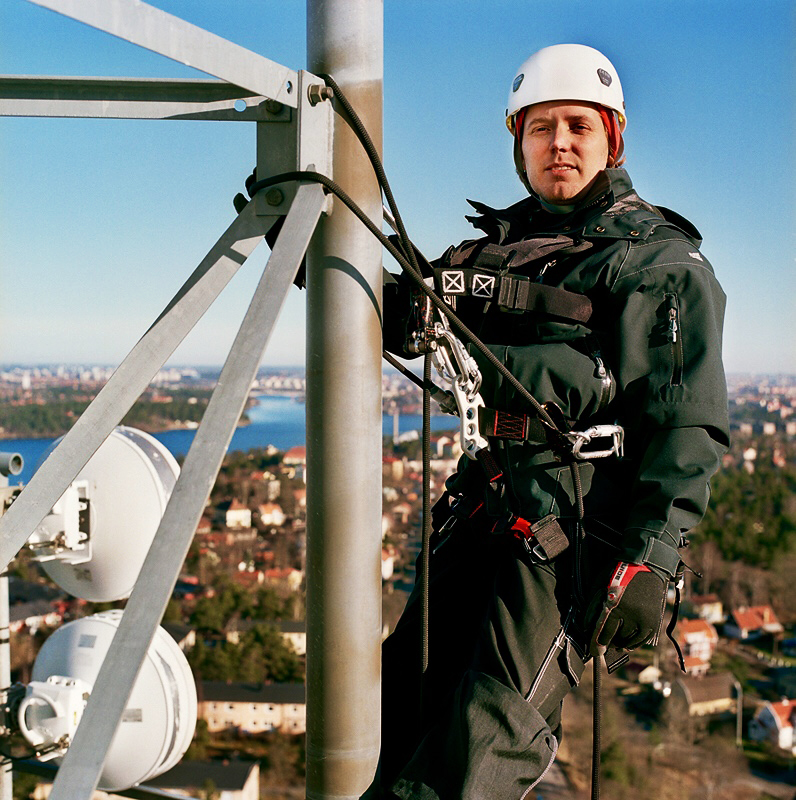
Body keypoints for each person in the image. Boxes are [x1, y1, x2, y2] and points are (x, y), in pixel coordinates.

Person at [378, 43, 729, 799]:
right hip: (481, 509)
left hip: (566, 534)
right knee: (397, 711)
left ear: (612, 137)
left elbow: (686, 424)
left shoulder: (658, 263)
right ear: (519, 142)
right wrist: (330, 261)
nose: (559, 143)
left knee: (481, 752)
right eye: (540, 128)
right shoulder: (499, 253)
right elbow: (415, 318)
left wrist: (654, 559)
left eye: (577, 125)